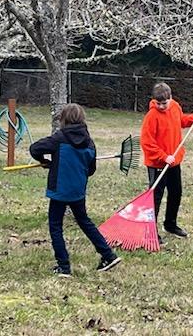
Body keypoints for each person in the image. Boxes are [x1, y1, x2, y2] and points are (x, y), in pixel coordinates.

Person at [30, 103, 120, 277]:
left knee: (55, 226)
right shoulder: (90, 142)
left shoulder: (59, 138)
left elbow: (34, 148)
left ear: (64, 120)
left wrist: (44, 161)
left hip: (59, 190)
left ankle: (64, 266)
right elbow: (91, 170)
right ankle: (108, 255)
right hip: (77, 191)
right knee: (85, 222)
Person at [140, 82, 193, 244]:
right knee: (156, 197)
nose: (162, 106)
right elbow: (146, 142)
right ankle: (150, 231)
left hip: (174, 161)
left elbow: (180, 121)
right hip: (157, 164)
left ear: (170, 98)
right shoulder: (151, 116)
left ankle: (170, 224)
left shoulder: (175, 106)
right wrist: (163, 156)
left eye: (165, 103)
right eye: (159, 103)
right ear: (154, 101)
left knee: (176, 192)